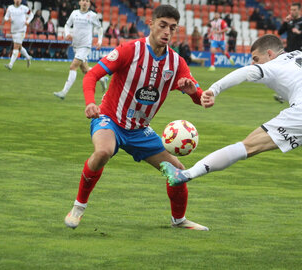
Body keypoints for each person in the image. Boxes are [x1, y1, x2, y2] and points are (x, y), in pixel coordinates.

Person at [159, 34, 302, 264]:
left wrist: (213, 90)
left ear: (270, 54)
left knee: (247, 147)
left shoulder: (273, 64)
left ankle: (185, 174)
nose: (254, 63)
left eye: (256, 58)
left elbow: (245, 72)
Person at [63, 4, 209, 231]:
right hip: (110, 120)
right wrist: (90, 102)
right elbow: (92, 75)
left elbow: (200, 98)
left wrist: (193, 92)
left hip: (140, 130)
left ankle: (179, 221)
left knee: (178, 173)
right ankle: (78, 207)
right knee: (102, 152)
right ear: (150, 24)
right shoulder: (129, 50)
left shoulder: (176, 63)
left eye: (172, 28)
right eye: (162, 25)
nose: (167, 32)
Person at [53, 0, 108, 100]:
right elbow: (67, 25)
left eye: (87, 1)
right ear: (79, 2)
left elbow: (100, 28)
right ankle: (102, 78)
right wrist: (67, 33)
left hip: (85, 46)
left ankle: (63, 93)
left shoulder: (92, 15)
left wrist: (99, 41)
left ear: (89, 4)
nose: (85, 3)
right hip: (76, 46)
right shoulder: (74, 14)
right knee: (85, 70)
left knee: (73, 66)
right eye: (83, 0)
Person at [276, 2, 302, 103]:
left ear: (299, 10)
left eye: (294, 10)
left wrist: (300, 32)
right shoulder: (289, 21)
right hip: (288, 51)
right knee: (285, 74)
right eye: (291, 10)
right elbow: (280, 32)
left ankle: (289, 96)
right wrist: (285, 21)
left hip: (299, 52)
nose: (292, 12)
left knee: (295, 75)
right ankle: (284, 95)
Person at [3, 0, 33, 70]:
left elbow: (31, 14)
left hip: (22, 30)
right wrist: (8, 19)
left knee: (16, 46)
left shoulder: (24, 8)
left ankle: (10, 65)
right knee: (19, 47)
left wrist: (28, 21)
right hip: (14, 30)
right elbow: (5, 17)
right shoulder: (10, 8)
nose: (17, 1)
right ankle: (28, 57)